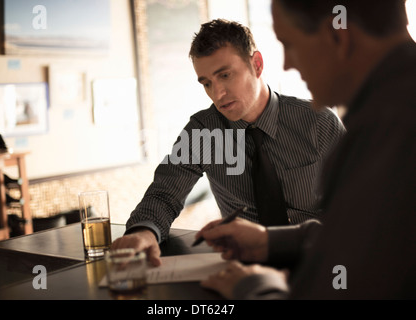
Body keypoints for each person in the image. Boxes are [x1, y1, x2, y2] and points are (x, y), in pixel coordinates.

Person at [198, 0, 416, 299]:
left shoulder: (388, 128)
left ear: (337, 36)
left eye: (290, 44)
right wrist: (271, 242)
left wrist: (252, 286)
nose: (288, 63)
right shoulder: (391, 107)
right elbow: (366, 237)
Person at [112, 19, 345, 266]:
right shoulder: (202, 131)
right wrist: (144, 232)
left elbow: (360, 208)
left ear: (256, 64)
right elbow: (165, 193)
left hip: (318, 261)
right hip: (246, 269)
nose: (217, 93)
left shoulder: (318, 123)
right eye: (207, 83)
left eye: (225, 75)